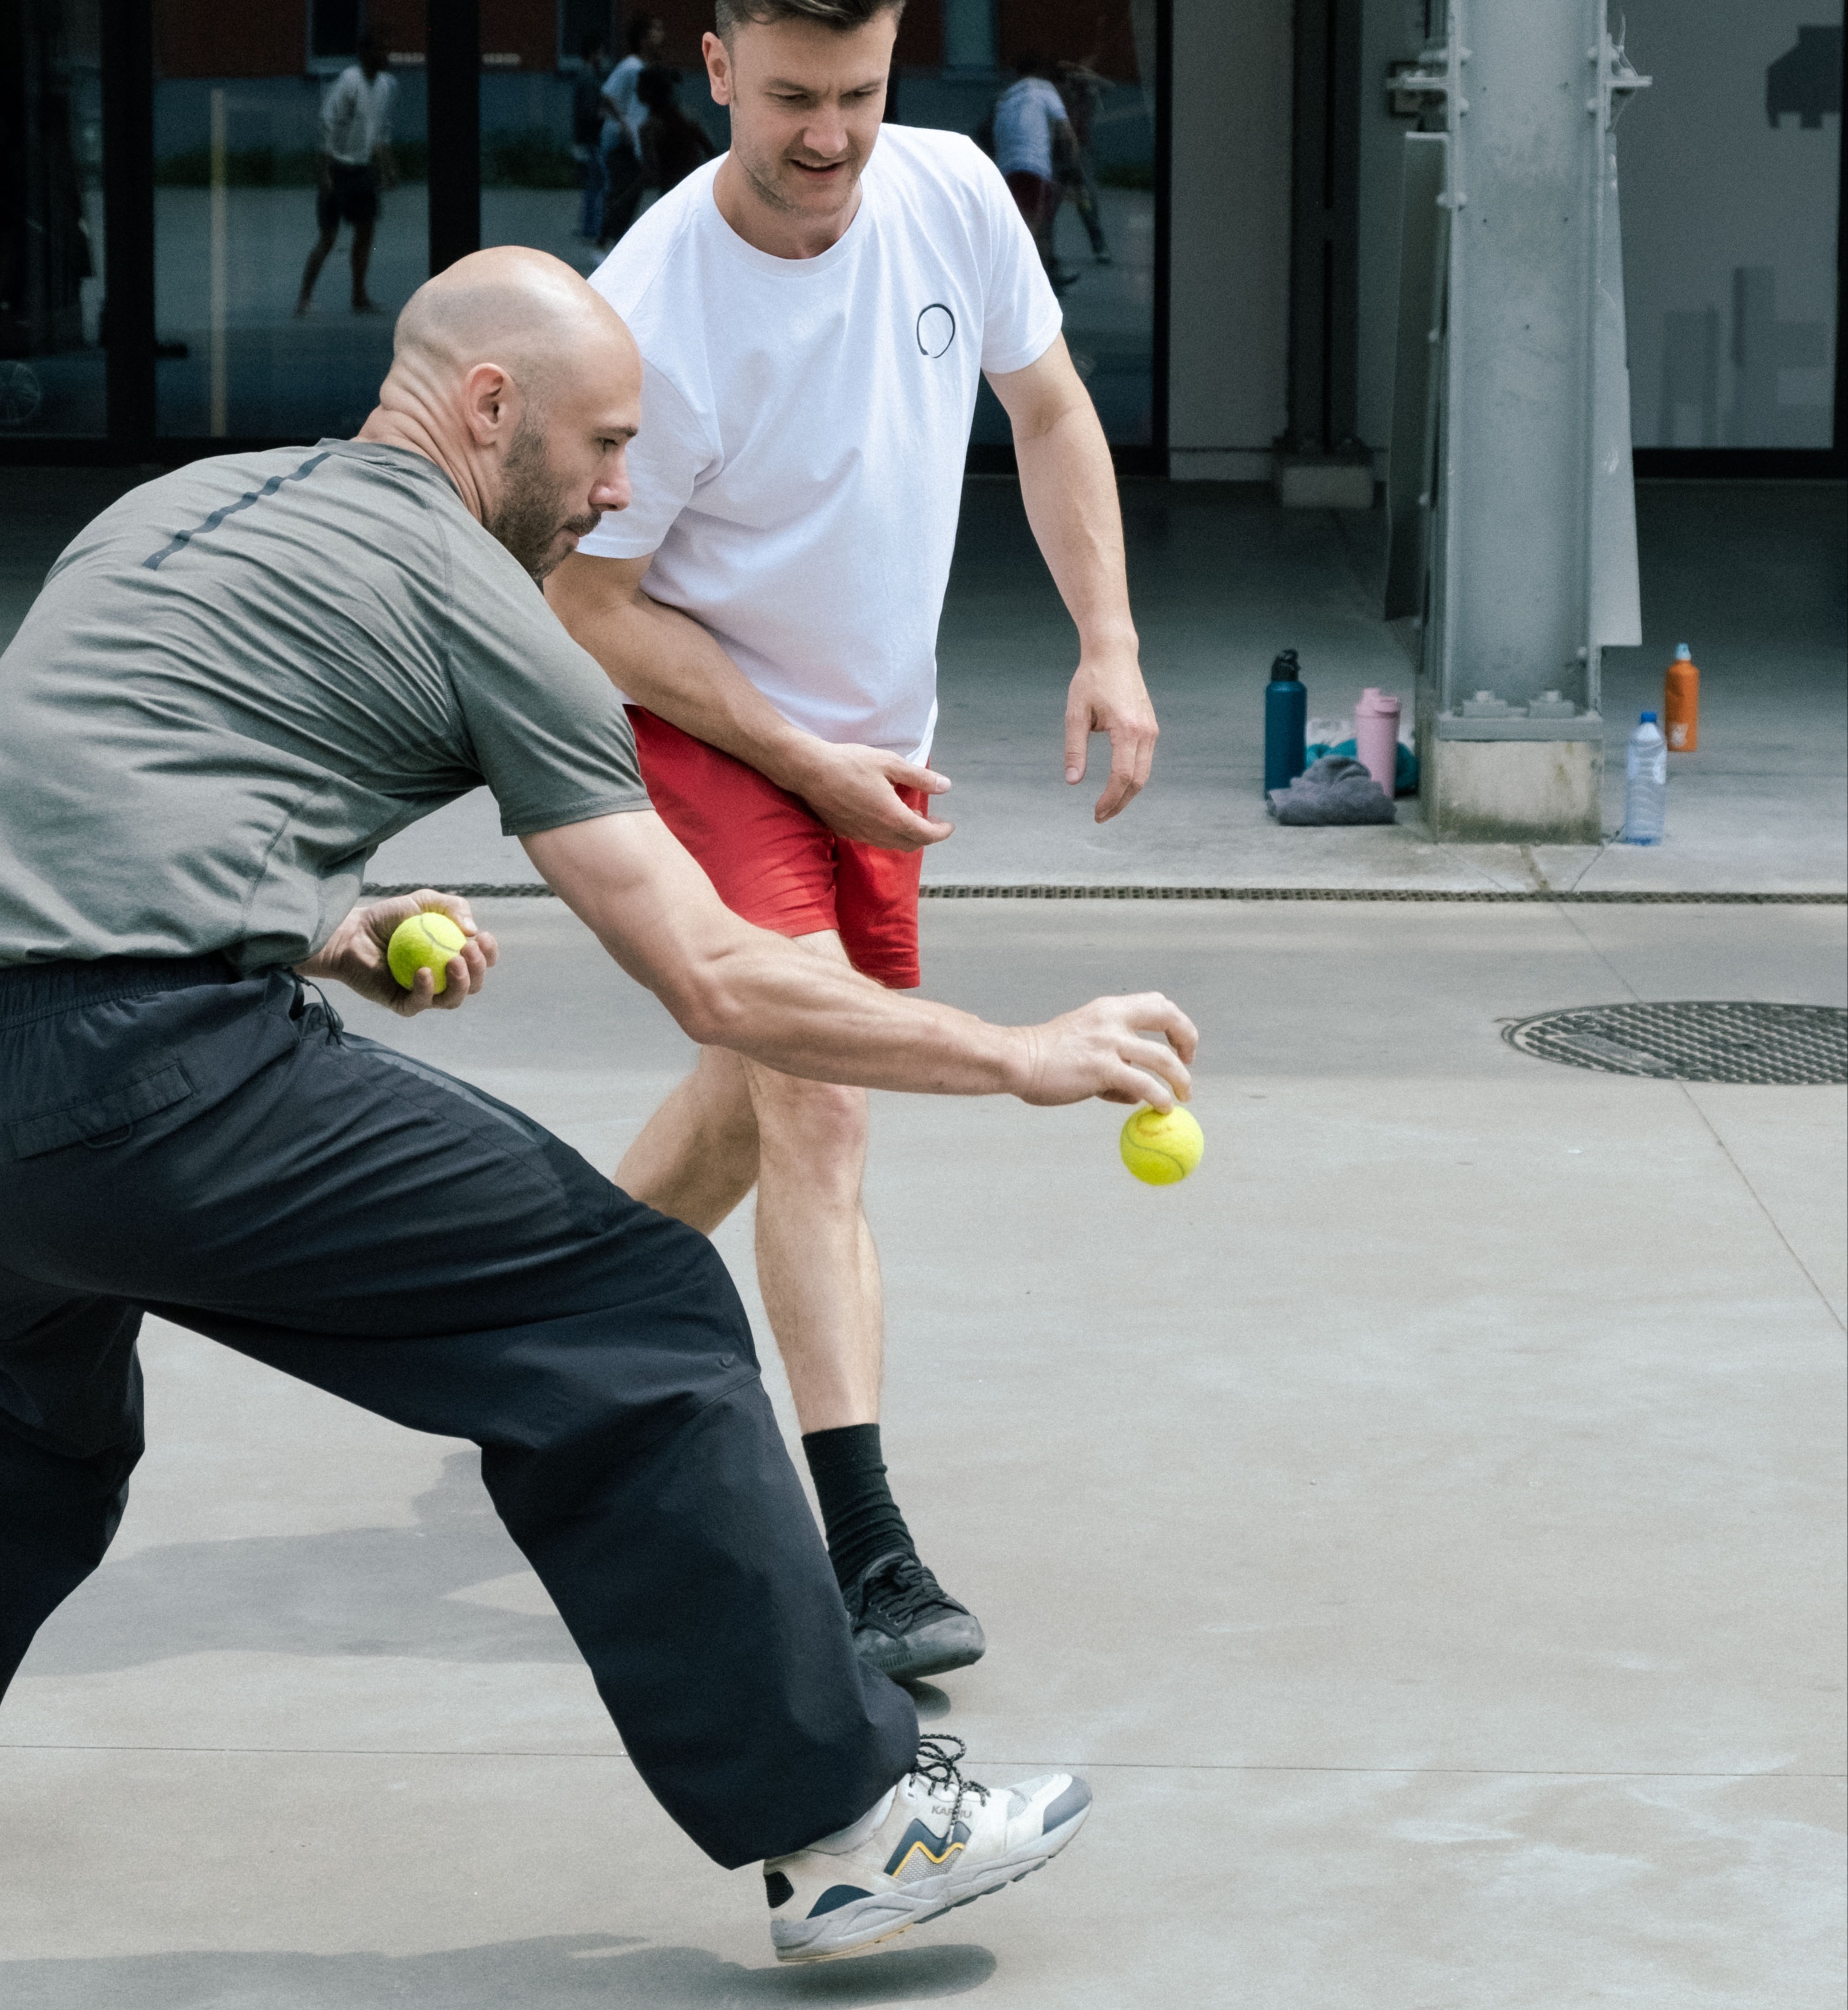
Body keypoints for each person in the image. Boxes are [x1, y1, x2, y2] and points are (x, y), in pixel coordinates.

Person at [0, 248, 1195, 1965]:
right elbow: (713, 973)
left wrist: (324, 929)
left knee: (35, 1386)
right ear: (490, 406)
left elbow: (94, 798)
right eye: (607, 444)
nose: (621, 492)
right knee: (632, 1312)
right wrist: (1015, 1049)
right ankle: (848, 1825)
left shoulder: (167, 511)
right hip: (133, 1080)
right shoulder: (487, 607)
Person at [545, 0, 1157, 1684]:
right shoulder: (653, 312)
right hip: (710, 725)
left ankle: (535, 1319)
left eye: (859, 93)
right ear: (716, 67)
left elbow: (1047, 410)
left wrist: (1106, 639)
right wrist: (796, 759)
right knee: (817, 1097)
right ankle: (868, 1554)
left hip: (879, 744)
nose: (827, 137)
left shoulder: (950, 194)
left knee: (751, 1097)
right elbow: (589, 601)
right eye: (790, 97)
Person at [296, 32, 397, 318]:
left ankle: (359, 297)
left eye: (386, 49)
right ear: (365, 54)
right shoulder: (349, 82)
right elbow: (327, 123)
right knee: (328, 238)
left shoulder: (386, 85)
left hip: (362, 170)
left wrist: (387, 169)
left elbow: (380, 132)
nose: (386, 55)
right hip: (338, 170)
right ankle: (304, 298)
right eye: (380, 49)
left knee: (365, 234)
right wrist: (325, 173)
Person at [602, 65, 716, 245]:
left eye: (639, 87)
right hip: (699, 194)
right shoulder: (687, 116)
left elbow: (651, 174)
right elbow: (712, 153)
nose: (636, 91)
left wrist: (622, 201)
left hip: (673, 198)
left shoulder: (650, 129)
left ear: (649, 92)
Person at [993, 52, 1078, 289]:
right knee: (1035, 228)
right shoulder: (1044, 90)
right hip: (1034, 166)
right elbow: (1066, 132)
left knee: (1020, 224)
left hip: (1007, 169)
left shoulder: (1007, 96)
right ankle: (1030, 284)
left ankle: (1045, 275)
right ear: (1040, 73)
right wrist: (1073, 164)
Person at [597, 15, 665, 249]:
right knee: (624, 191)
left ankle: (612, 239)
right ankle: (608, 240)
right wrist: (624, 124)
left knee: (631, 194)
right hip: (622, 142)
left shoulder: (645, 66)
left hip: (636, 141)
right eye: (656, 30)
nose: (661, 35)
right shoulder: (631, 66)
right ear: (643, 38)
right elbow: (607, 95)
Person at [1054, 50, 1112, 265]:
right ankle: (1045, 251)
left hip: (1081, 152)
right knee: (1051, 201)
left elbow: (1108, 87)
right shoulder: (1059, 92)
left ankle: (1099, 246)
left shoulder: (1088, 92)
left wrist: (1084, 74)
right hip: (1059, 151)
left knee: (1087, 201)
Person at [571, 36, 611, 241]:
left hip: (587, 137)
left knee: (593, 183)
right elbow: (590, 112)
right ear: (593, 53)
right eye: (601, 52)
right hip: (591, 139)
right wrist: (606, 114)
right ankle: (592, 228)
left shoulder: (586, 75)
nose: (603, 57)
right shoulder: (588, 77)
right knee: (597, 183)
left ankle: (589, 227)